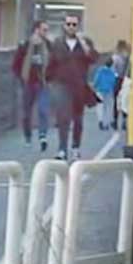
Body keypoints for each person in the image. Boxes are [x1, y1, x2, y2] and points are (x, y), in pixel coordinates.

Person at [47, 14, 99, 160]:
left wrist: (83, 43)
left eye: (74, 25)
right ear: (64, 26)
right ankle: (62, 149)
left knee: (78, 118)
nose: (71, 27)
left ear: (78, 26)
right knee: (63, 116)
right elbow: (52, 63)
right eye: (68, 24)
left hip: (79, 84)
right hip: (62, 84)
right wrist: (49, 81)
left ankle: (76, 147)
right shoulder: (58, 43)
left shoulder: (85, 43)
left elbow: (93, 58)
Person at [10, 19, 54, 151]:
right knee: (26, 113)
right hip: (28, 82)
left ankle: (42, 136)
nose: (46, 33)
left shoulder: (48, 45)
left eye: (47, 30)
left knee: (43, 109)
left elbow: (54, 62)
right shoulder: (25, 46)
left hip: (43, 83)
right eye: (44, 30)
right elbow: (16, 64)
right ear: (36, 30)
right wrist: (22, 78)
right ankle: (28, 136)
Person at [91, 56, 119, 131]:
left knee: (100, 107)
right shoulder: (113, 72)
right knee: (108, 108)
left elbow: (96, 80)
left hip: (100, 90)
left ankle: (100, 120)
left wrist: (94, 87)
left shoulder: (100, 71)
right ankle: (106, 124)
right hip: (109, 91)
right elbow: (114, 82)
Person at [111, 40, 131, 131]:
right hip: (126, 79)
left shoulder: (115, 57)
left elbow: (113, 69)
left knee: (116, 101)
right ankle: (124, 120)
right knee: (125, 100)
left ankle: (115, 120)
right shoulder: (128, 57)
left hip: (117, 79)